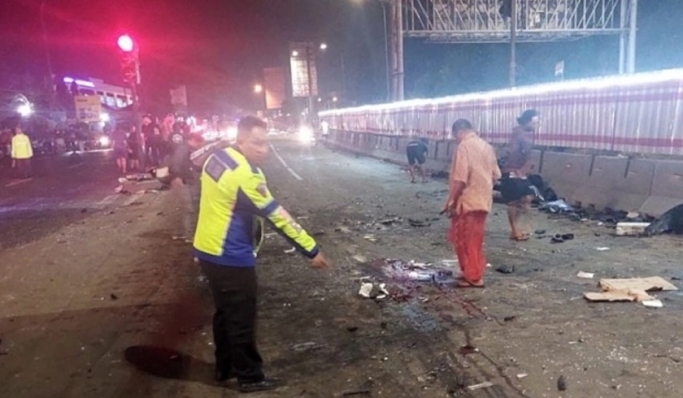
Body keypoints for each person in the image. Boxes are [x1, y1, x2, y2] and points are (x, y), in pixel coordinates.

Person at [193, 116, 330, 393]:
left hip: (206, 251)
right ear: (240, 140)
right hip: (230, 255)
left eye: (266, 143)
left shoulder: (218, 157)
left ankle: (225, 366)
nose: (263, 149)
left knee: (224, 313)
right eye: (256, 143)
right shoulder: (246, 175)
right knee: (242, 317)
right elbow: (278, 217)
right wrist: (311, 250)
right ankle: (250, 376)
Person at [443, 119, 501, 288]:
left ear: (458, 132)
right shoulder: (487, 147)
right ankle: (469, 272)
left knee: (464, 239)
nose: (455, 139)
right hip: (483, 201)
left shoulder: (464, 146)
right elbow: (496, 175)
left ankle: (474, 276)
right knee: (475, 239)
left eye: (454, 135)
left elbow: (460, 179)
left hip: (467, 201)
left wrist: (451, 200)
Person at [499, 109, 539, 241]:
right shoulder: (519, 135)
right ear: (527, 121)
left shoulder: (521, 134)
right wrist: (516, 170)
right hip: (514, 171)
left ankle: (517, 228)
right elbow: (513, 153)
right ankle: (515, 230)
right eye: (534, 122)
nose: (535, 125)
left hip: (519, 171)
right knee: (515, 201)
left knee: (525, 198)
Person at [168, 129, 204, 242]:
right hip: (179, 181)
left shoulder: (188, 149)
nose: (199, 146)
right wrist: (181, 178)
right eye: (198, 143)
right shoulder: (183, 149)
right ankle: (189, 235)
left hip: (183, 180)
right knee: (189, 208)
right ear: (193, 140)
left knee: (189, 207)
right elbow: (175, 165)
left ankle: (184, 232)